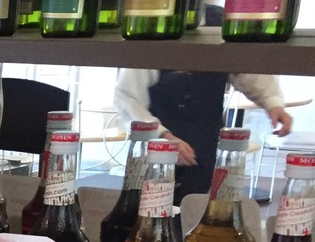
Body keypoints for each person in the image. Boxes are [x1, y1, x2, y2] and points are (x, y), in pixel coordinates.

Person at [114, 69, 294, 202]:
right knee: (150, 215)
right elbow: (128, 98)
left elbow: (249, 71)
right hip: (153, 153)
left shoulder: (220, 35)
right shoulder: (155, 40)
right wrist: (161, 136)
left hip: (205, 145)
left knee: (193, 209)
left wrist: (273, 103)